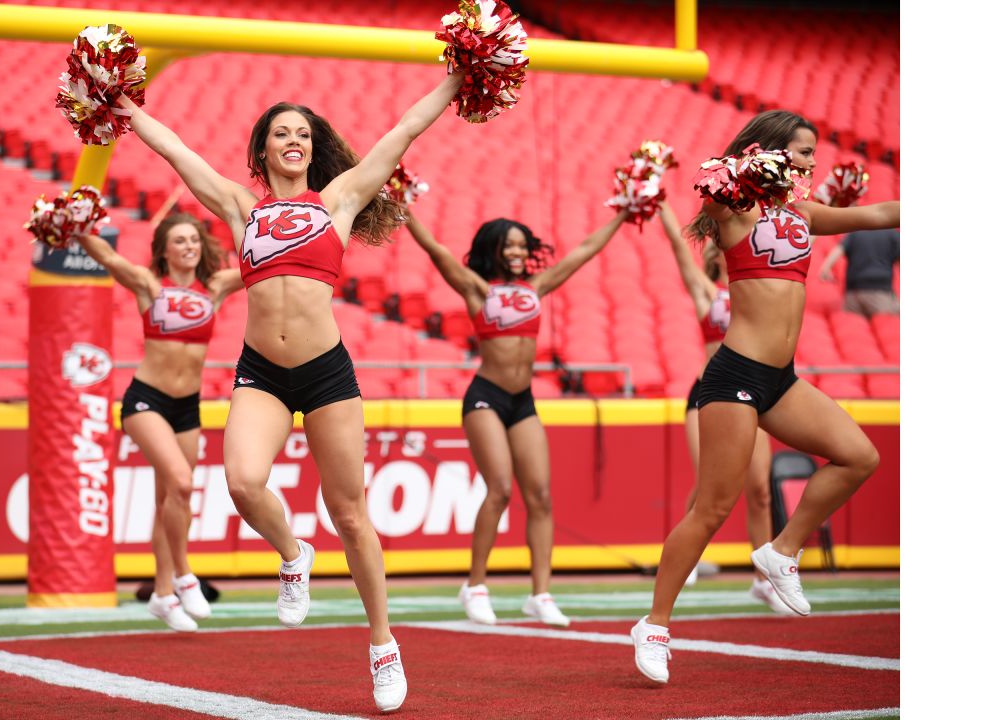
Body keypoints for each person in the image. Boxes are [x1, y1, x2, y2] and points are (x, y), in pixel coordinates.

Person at [114, 70, 465, 712]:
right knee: (243, 482)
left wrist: (457, 80)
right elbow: (174, 150)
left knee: (352, 514)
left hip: (327, 372)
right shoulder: (241, 208)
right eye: (281, 133)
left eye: (303, 132)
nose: (294, 140)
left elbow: (405, 131)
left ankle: (383, 646)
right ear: (263, 150)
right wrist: (123, 107)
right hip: (262, 372)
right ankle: (294, 551)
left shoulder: (337, 200)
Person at [631, 110, 900, 683]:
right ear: (771, 151)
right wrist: (751, 161)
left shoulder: (799, 214)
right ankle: (654, 624)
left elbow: (877, 213)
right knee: (712, 508)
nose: (811, 163)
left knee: (860, 456)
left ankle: (781, 551)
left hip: (782, 379)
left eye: (812, 153)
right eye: (802, 152)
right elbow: (709, 183)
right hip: (734, 377)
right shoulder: (733, 208)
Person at [405, 206, 628, 627]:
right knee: (500, 489)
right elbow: (436, 251)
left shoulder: (536, 286)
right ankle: (475, 585)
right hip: (485, 397)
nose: (517, 251)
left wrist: (622, 214)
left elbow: (583, 251)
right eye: (508, 245)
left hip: (522, 401)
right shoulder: (477, 289)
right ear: (493, 249)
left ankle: (540, 594)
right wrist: (405, 209)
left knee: (541, 495)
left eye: (522, 245)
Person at [77, 213, 243, 632]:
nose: (189, 246)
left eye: (194, 240)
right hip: (146, 401)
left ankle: (163, 595)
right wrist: (76, 225)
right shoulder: (149, 285)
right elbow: (108, 257)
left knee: (171, 502)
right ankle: (186, 577)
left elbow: (265, 263)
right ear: (164, 250)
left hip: (188, 407)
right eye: (180, 241)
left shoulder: (216, 286)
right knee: (182, 484)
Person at [658, 200, 792, 615]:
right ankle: (690, 556)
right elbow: (681, 252)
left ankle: (764, 580)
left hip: (755, 394)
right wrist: (662, 204)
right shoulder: (708, 292)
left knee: (759, 491)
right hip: (710, 394)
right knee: (709, 482)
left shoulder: (755, 285)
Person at [818, 227, 900, 317]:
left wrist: (826, 268)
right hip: (880, 293)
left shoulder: (855, 233)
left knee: (853, 326)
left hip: (853, 295)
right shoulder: (891, 234)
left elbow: (838, 250)